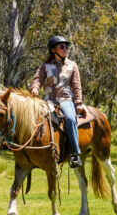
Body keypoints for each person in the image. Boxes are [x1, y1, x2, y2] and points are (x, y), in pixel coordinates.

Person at [29, 35, 86, 168]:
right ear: (53, 50)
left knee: (71, 119)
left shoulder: (72, 65)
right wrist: (35, 88)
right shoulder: (45, 66)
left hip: (65, 100)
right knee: (31, 118)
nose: (65, 48)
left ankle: (75, 154)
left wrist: (78, 103)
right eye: (62, 46)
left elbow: (77, 86)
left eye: (66, 46)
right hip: (47, 101)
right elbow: (37, 79)